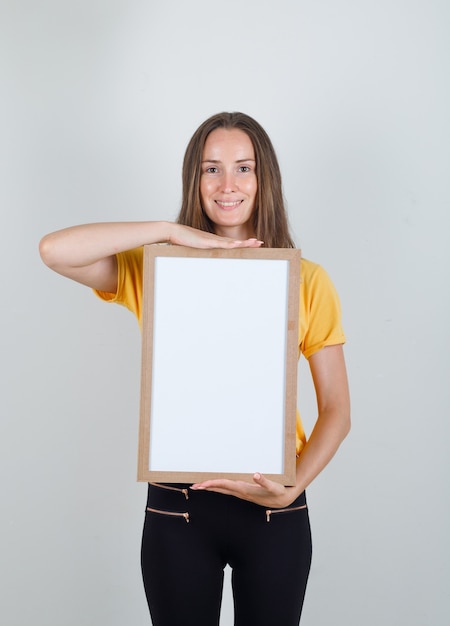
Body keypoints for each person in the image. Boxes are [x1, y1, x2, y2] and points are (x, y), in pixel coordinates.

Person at [39, 111, 350, 625]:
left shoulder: (307, 279)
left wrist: (293, 487)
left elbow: (337, 410)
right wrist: (172, 232)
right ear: (194, 179)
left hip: (273, 503)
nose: (228, 184)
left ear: (263, 177)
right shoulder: (158, 268)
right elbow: (54, 250)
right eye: (211, 169)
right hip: (177, 509)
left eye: (243, 168)